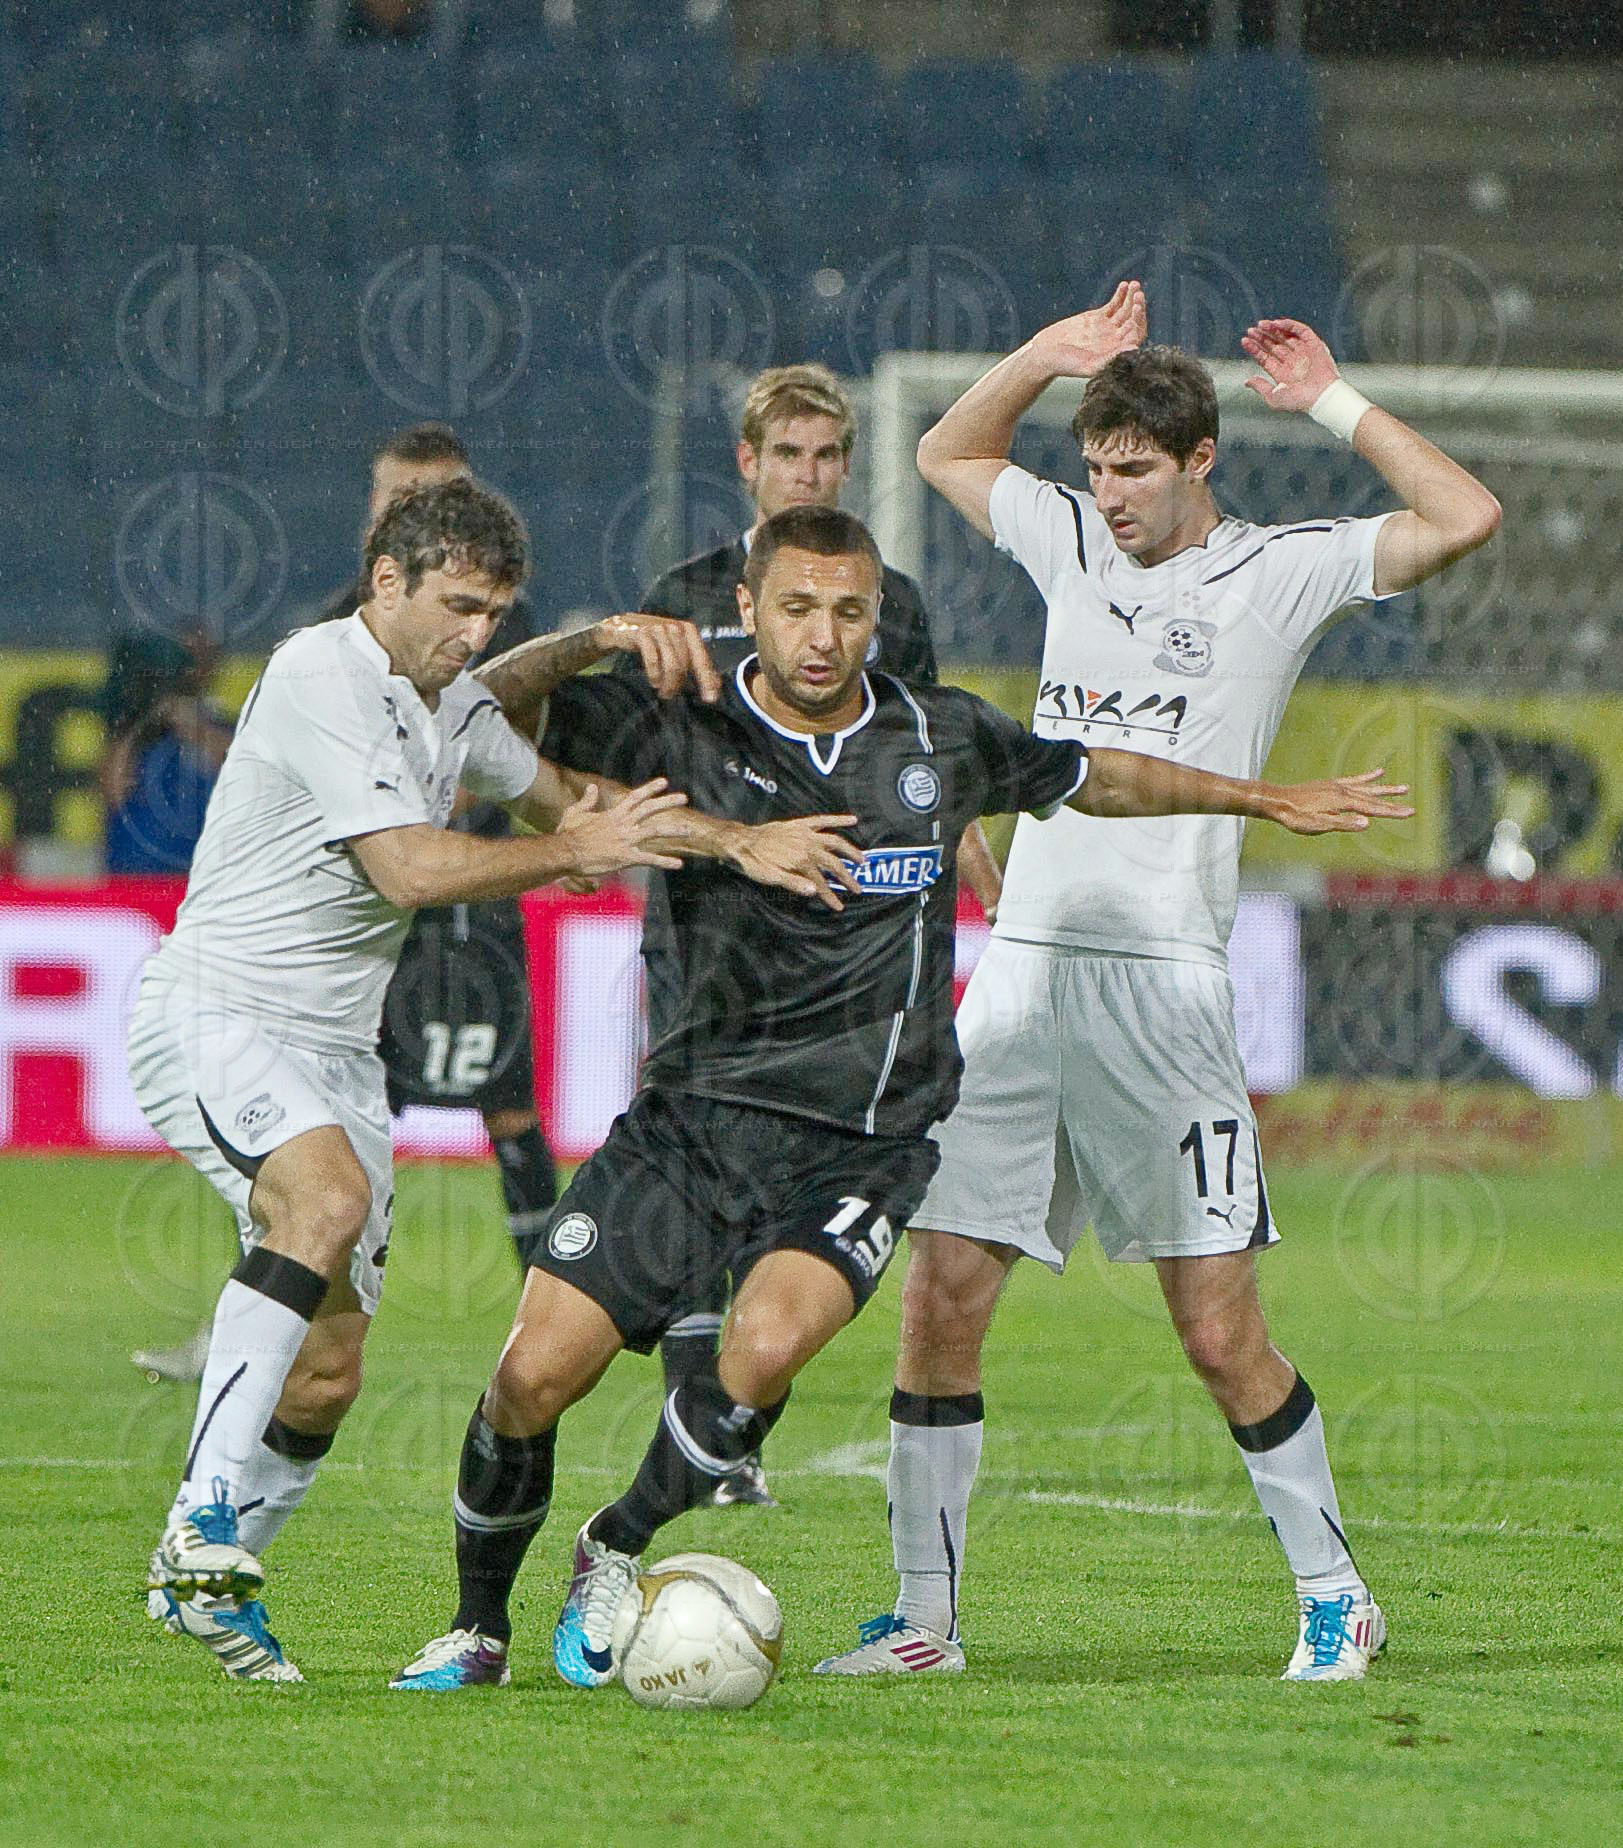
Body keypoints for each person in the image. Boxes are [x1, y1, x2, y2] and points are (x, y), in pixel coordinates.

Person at [385, 502, 1411, 1692]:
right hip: (691, 1121)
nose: (824, 635)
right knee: (529, 1378)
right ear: (749, 610)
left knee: (762, 1351)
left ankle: (614, 1543)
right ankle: (477, 1629)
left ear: (876, 616)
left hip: (860, 1144)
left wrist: (1260, 799)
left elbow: (1092, 775)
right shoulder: (674, 715)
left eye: (851, 610)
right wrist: (594, 641)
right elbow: (470, 714)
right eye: (799, 608)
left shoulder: (939, 735)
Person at [811, 289, 1502, 1684]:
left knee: (1213, 1325)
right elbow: (951, 454)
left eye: (1133, 469)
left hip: (1162, 994)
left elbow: (1463, 515)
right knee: (939, 1294)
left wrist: (1328, 401)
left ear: (1199, 463)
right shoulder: (1065, 539)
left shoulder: (1281, 567)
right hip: (1017, 982)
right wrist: (1045, 360)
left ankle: (1332, 1594)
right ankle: (922, 1621)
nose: (1106, 495)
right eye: (1095, 467)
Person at [134, 478, 846, 1682]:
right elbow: (411, 869)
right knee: (322, 1205)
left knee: (328, 1366)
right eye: (458, 606)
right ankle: (200, 1520)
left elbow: (579, 800)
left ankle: (202, 1589)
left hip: (341, 1055)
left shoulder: (445, 703)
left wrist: (739, 842)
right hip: (220, 1012)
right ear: (387, 584)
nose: (475, 634)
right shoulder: (321, 674)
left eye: (495, 612)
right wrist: (573, 848)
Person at [638, 362, 1004, 1506]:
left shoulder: (886, 604)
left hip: (853, 923)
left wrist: (985, 879)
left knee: (803, 1167)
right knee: (704, 1155)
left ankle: (728, 1415)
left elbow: (938, 764)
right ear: (748, 465)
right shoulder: (682, 596)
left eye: (827, 457)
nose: (807, 473)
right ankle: (707, 1416)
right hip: (713, 927)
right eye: (787, 456)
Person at [129, 425, 553, 1386]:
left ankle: (543, 1318)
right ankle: (260, 1317)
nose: (397, 513)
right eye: (386, 497)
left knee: (511, 1110)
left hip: (471, 899)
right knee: (311, 1142)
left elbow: (499, 728)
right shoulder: (333, 634)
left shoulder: (486, 618)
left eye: (420, 495)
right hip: (360, 916)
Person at [100, 631, 234, 876]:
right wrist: (139, 721)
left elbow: (244, 772)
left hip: (202, 879)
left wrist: (195, 728)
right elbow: (113, 791)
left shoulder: (222, 727)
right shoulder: (132, 732)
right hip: (134, 878)